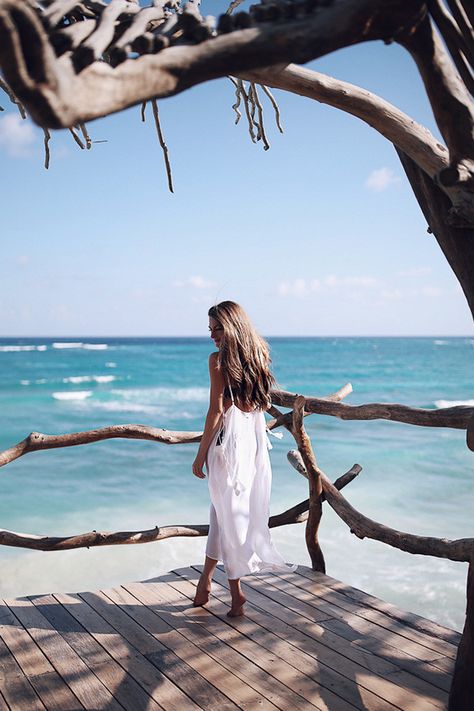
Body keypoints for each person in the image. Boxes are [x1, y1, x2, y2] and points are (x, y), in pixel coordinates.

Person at [192, 301, 296, 617]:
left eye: (217, 329)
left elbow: (216, 411)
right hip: (250, 446)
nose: (213, 336)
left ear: (231, 326)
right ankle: (205, 583)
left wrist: (199, 455)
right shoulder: (258, 357)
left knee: (228, 519)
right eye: (210, 330)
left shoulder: (218, 361)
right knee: (221, 515)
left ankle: (237, 594)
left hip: (226, 449)